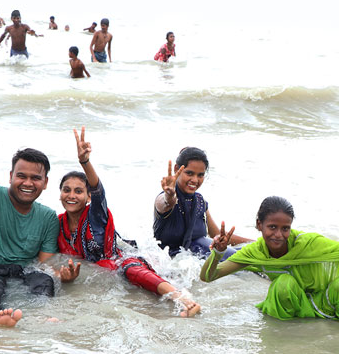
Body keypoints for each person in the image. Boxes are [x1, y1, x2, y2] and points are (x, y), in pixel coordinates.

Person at [0, 102, 80, 327]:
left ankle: (43, 314)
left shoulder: (47, 217)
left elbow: (44, 264)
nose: (28, 183)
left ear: (45, 184)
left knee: (44, 281)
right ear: (11, 176)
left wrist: (62, 276)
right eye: (21, 176)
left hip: (21, 271)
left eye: (36, 178)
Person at [57, 127, 201, 317]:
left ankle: (183, 299)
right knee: (142, 302)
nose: (71, 196)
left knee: (131, 271)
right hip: (105, 271)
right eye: (66, 190)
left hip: (124, 259)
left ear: (88, 197)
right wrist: (61, 276)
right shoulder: (58, 224)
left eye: (78, 191)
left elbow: (98, 189)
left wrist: (85, 162)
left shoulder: (95, 215)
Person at [200, 196, 339, 320]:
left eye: (285, 228)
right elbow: (208, 276)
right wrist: (218, 253)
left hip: (326, 303)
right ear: (259, 224)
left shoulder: (308, 243)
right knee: (283, 285)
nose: (279, 234)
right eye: (272, 227)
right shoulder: (256, 252)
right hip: (289, 309)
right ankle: (285, 337)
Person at [154, 147, 252, 259]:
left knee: (249, 253)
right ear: (177, 169)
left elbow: (217, 235)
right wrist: (169, 195)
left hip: (202, 254)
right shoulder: (164, 199)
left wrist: (258, 243)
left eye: (200, 175)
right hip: (172, 262)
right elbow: (166, 203)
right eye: (189, 173)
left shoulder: (200, 202)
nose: (195, 180)